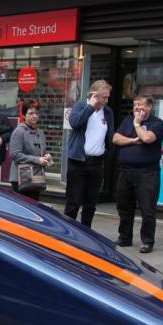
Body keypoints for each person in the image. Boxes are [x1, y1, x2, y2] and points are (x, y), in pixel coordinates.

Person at [112, 95, 163, 253]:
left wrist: (137, 125)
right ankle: (125, 237)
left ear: (150, 107)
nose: (137, 108)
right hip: (126, 171)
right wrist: (134, 141)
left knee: (147, 209)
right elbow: (115, 138)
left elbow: (147, 138)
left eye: (141, 105)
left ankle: (147, 241)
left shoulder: (156, 123)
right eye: (135, 105)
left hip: (147, 173)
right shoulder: (127, 120)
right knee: (124, 207)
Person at [65, 80, 115, 227]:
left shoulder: (107, 112)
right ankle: (69, 232)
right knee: (73, 201)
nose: (106, 100)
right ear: (94, 95)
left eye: (107, 97)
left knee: (91, 202)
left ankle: (86, 232)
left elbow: (109, 135)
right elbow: (74, 122)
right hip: (78, 161)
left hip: (97, 162)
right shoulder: (81, 106)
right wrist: (90, 107)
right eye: (103, 97)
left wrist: (107, 153)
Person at [9, 101, 51, 200]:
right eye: (31, 113)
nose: (34, 116)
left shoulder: (40, 132)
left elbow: (42, 152)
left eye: (36, 113)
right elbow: (15, 155)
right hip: (21, 178)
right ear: (24, 115)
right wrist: (37, 160)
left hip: (36, 177)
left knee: (34, 208)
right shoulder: (19, 131)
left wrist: (47, 156)